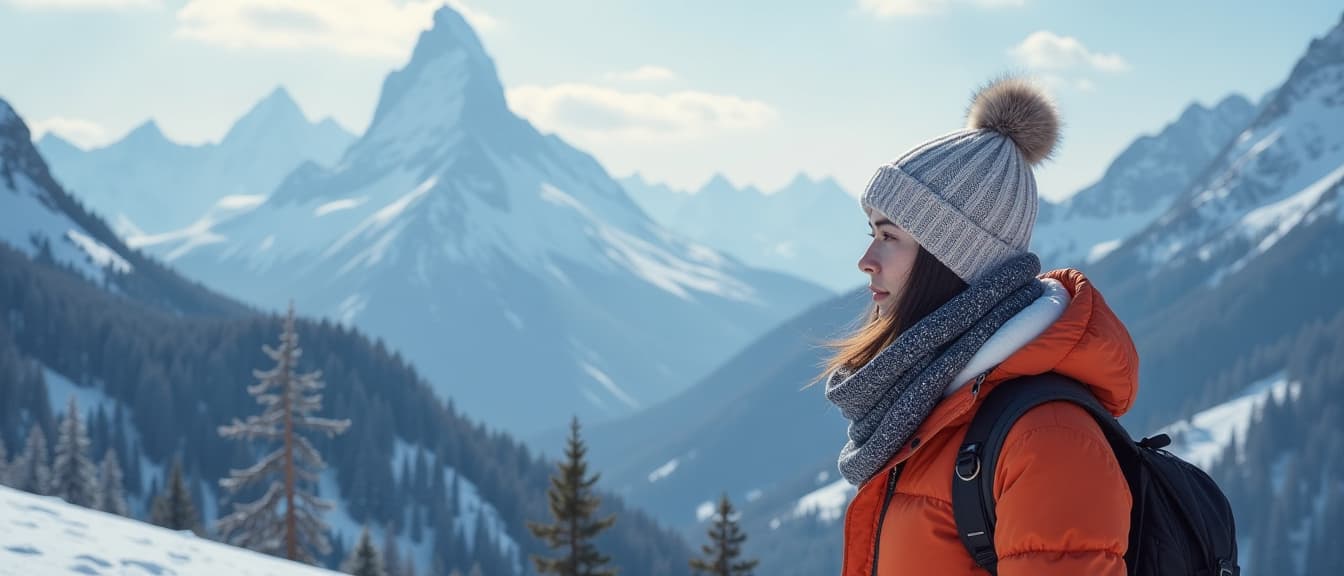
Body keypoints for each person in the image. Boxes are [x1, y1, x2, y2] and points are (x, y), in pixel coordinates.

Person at [820, 76, 1136, 575]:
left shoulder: (1047, 439)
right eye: (870, 233)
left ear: (952, 258)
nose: (866, 259)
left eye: (889, 236)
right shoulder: (929, 402)